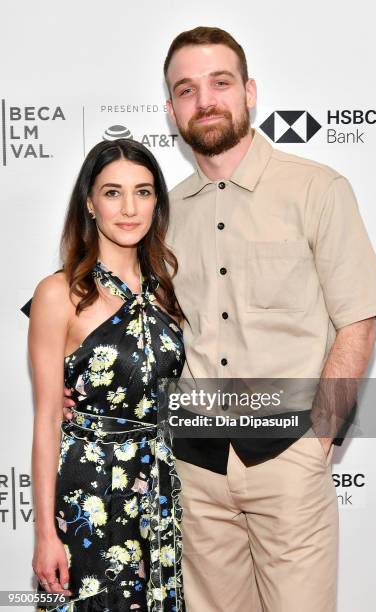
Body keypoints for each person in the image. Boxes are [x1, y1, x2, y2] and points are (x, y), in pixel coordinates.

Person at [64, 26, 376, 612]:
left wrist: (318, 438)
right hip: (193, 469)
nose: (206, 100)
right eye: (186, 90)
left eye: (220, 83)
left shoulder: (317, 189)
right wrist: (84, 394)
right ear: (170, 109)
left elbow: (359, 321)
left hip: (288, 458)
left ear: (249, 91)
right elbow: (126, 323)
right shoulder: (161, 217)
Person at [29, 138, 185, 611]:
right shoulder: (59, 293)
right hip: (88, 497)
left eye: (143, 191)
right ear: (90, 204)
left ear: (157, 202)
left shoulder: (168, 292)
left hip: (161, 492)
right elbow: (46, 422)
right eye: (113, 192)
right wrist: (45, 536)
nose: (129, 208)